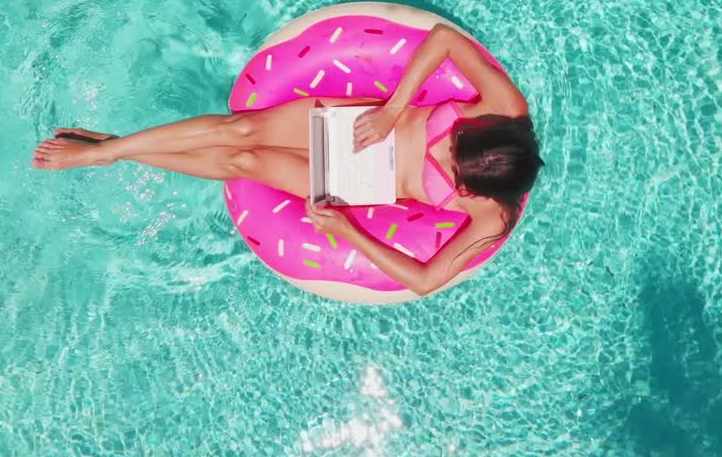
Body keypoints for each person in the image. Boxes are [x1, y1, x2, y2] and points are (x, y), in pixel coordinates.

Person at [32, 23, 543, 296]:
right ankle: (108, 152)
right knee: (242, 129)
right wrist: (391, 112)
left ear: (474, 191)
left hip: (363, 179)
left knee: (245, 161)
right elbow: (445, 40)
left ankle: (118, 150)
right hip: (368, 120)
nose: (443, 152)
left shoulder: (492, 216)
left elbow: (426, 282)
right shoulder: (507, 107)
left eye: (452, 169)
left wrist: (351, 234)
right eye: (455, 141)